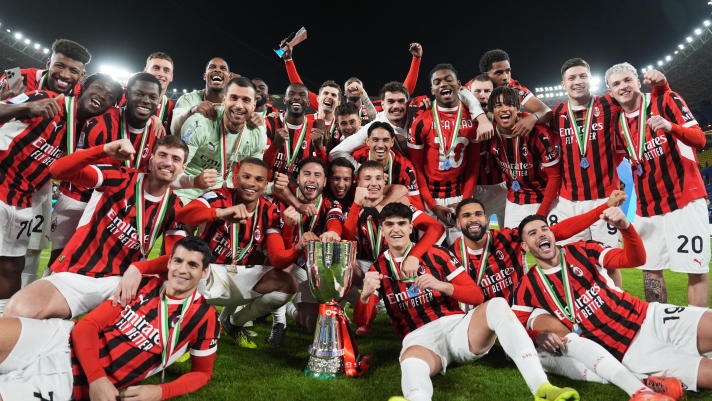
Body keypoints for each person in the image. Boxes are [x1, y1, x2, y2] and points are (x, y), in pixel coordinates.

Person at [357, 203, 579, 401]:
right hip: (420, 340)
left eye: (402, 224)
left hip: (458, 329)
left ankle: (542, 388)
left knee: (497, 304)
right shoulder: (377, 270)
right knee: (410, 360)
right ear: (382, 229)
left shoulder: (437, 254)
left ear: (410, 228)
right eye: (389, 224)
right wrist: (365, 295)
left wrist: (440, 285)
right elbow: (361, 321)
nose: (396, 229)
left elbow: (476, 296)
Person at [514, 210, 712, 397]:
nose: (541, 234)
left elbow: (634, 259)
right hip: (630, 351)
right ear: (525, 246)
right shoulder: (527, 286)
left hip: (650, 316)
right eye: (533, 233)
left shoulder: (583, 249)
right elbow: (516, 330)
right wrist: (537, 336)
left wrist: (625, 227)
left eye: (544, 229)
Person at [0, 236, 220, 400]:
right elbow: (87, 325)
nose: (182, 270)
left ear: (204, 272)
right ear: (169, 263)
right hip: (62, 338)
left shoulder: (205, 317)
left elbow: (202, 372)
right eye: (178, 261)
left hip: (73, 377)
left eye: (193, 265)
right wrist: (98, 379)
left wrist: (161, 391)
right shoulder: (142, 285)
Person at [3, 137, 188, 319]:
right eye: (163, 155)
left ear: (182, 168)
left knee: (159, 313)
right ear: (152, 159)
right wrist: (103, 150)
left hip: (122, 282)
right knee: (19, 311)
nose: (168, 163)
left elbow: (176, 259)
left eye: (176, 159)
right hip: (77, 274)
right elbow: (58, 170)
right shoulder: (119, 177)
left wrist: (141, 268)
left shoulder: (175, 207)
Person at [0, 73, 122, 314]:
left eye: (109, 96)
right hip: (1, 185)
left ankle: (5, 324)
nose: (101, 96)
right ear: (83, 87)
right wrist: (26, 106)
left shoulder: (82, 130)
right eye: (98, 89)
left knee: (12, 266)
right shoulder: (48, 99)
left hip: (23, 199)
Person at [548, 58, 670, 288]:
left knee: (611, 262)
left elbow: (639, 103)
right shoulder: (555, 115)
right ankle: (579, 312)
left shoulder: (609, 103)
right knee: (571, 262)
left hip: (605, 199)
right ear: (563, 84)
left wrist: (661, 84)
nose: (578, 82)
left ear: (590, 79)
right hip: (569, 202)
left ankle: (615, 311)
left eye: (583, 76)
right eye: (571, 78)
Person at [606, 62, 709, 307]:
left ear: (637, 82)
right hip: (646, 206)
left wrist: (670, 126)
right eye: (616, 84)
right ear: (610, 93)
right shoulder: (619, 123)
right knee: (650, 268)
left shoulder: (664, 100)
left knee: (695, 268)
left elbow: (700, 139)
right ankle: (662, 326)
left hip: (684, 199)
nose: (623, 86)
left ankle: (696, 337)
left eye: (627, 80)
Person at [0, 39, 93, 290]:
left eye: (74, 71)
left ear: (82, 75)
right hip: (5, 170)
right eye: (59, 66)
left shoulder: (81, 95)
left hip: (37, 183)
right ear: (48, 62)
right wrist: (23, 105)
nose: (64, 75)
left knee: (29, 249)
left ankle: (18, 304)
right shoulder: (18, 77)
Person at [49, 72, 165, 266]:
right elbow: (76, 168)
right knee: (60, 262)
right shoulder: (100, 122)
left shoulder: (156, 130)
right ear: (127, 95)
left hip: (117, 209)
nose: (145, 100)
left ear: (158, 102)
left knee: (105, 266)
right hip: (79, 200)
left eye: (152, 97)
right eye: (139, 94)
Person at [343, 161, 444, 334]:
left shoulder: (399, 205)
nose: (373, 183)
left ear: (385, 181)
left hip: (397, 263)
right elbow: (346, 241)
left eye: (378, 178)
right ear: (358, 183)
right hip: (368, 267)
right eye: (367, 179)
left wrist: (415, 254)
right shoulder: (352, 208)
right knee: (344, 265)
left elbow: (436, 227)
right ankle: (357, 308)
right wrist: (356, 205)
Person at [409, 64, 483, 243]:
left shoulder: (472, 119)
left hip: (460, 196)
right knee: (431, 257)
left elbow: (473, 165)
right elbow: (416, 167)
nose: (443, 84)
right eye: (437, 82)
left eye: (448, 79)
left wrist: (465, 201)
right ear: (432, 90)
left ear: (458, 84)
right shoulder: (421, 121)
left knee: (464, 254)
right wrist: (433, 206)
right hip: (430, 199)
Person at [175, 77, 267, 205]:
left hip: (222, 192)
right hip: (187, 189)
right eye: (233, 98)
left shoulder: (257, 133)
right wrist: (194, 181)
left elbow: (254, 179)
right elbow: (173, 174)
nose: (239, 106)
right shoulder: (199, 123)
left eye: (246, 100)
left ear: (254, 105)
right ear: (224, 99)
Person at [283, 157, 344, 332]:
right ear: (298, 178)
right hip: (282, 261)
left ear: (324, 182)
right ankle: (277, 320)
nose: (311, 179)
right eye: (307, 174)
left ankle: (290, 310)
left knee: (311, 324)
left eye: (317, 175)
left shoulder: (329, 203)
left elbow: (335, 218)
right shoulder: (284, 200)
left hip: (306, 268)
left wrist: (333, 232)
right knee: (278, 267)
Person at [488, 86, 561, 229]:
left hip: (545, 199)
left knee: (552, 247)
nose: (504, 109)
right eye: (498, 106)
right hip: (515, 200)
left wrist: (542, 213)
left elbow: (555, 176)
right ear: (492, 112)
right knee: (513, 246)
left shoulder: (539, 133)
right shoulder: (489, 133)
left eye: (509, 104)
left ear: (518, 108)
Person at [280, 41, 422, 112]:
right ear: (343, 91)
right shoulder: (333, 105)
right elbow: (300, 89)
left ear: (363, 90)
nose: (353, 86)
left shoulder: (375, 106)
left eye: (357, 84)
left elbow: (405, 91)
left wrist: (416, 59)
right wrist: (288, 60)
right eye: (349, 84)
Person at [475, 49, 552, 136]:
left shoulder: (514, 87)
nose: (505, 77)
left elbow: (546, 111)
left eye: (508, 71)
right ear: (486, 75)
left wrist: (533, 118)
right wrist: (482, 120)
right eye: (499, 73)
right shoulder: (475, 86)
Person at [348, 122, 422, 209]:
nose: (380, 145)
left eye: (385, 140)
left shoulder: (405, 168)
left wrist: (383, 207)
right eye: (375, 140)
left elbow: (418, 205)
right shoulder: (356, 159)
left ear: (392, 142)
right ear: (367, 141)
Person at [262, 83, 327, 182]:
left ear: (308, 103)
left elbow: (323, 170)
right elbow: (263, 166)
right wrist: (274, 146)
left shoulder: (316, 128)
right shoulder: (269, 123)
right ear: (284, 100)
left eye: (302, 95)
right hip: (269, 191)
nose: (296, 97)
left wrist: (319, 148)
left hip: (299, 192)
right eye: (291, 94)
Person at [468, 74, 507, 227]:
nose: (482, 96)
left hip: (504, 187)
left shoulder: (505, 120)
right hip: (475, 188)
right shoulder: (462, 122)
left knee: (511, 237)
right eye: (477, 91)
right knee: (479, 236)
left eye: (487, 91)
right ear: (470, 94)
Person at [170, 57, 231, 134]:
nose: (218, 70)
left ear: (229, 78)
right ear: (204, 76)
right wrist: (192, 111)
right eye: (212, 67)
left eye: (223, 68)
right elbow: (174, 130)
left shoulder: (235, 103)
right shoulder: (188, 98)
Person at [144, 52, 175, 135]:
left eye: (166, 70)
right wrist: (148, 117)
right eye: (156, 68)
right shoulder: (125, 95)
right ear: (145, 71)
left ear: (171, 77)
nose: (161, 74)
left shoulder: (171, 107)